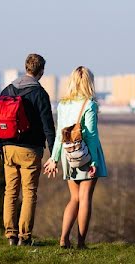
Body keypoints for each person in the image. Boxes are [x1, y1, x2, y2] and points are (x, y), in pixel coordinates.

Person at [43, 65, 108, 249]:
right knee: (85, 197)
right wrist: (94, 161)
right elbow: (92, 136)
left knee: (74, 198)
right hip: (87, 155)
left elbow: (59, 135)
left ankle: (64, 239)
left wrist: (54, 158)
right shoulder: (90, 104)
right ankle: (81, 242)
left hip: (68, 155)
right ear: (89, 83)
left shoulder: (63, 104)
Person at [0, 53, 56, 246]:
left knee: (10, 192)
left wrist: (0, 146)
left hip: (8, 147)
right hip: (30, 151)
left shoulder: (7, 90)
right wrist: (53, 153)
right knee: (29, 192)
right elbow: (48, 126)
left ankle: (10, 236)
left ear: (25, 67)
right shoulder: (40, 94)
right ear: (41, 71)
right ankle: (25, 237)